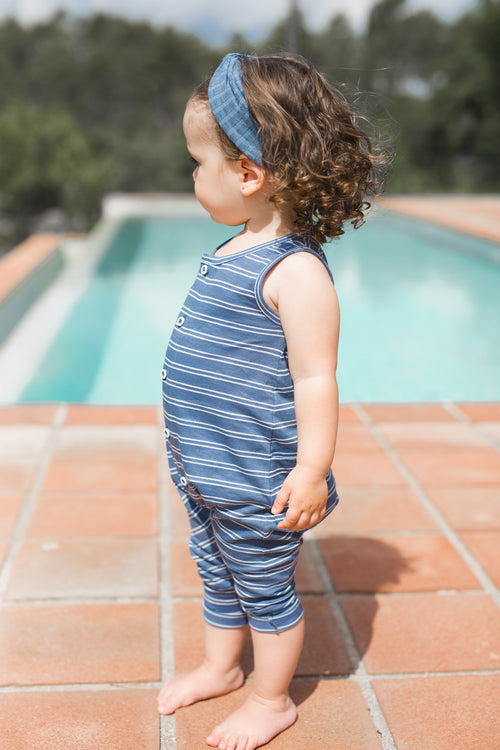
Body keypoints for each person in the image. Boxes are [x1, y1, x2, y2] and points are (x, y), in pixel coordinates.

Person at [158, 53, 382, 750]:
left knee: (265, 591)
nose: (193, 175)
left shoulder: (294, 271)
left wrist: (310, 471)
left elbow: (317, 380)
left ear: (249, 175)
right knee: (216, 572)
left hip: (257, 478)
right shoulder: (235, 247)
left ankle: (270, 698)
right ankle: (224, 667)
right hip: (205, 467)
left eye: (199, 163)